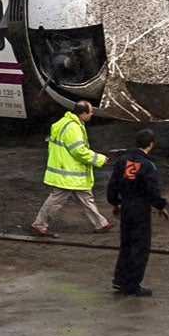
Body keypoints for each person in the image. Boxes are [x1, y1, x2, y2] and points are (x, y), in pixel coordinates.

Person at [105, 126, 169, 296]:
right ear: (151, 144)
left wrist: (115, 202)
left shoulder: (123, 160)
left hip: (126, 206)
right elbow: (152, 189)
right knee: (140, 247)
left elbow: (113, 184)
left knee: (126, 244)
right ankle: (133, 284)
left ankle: (120, 279)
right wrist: (161, 205)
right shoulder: (148, 165)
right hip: (140, 209)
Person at [31, 100, 110, 236]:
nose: (92, 114)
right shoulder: (73, 128)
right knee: (58, 199)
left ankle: (101, 223)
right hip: (69, 173)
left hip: (69, 171)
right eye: (90, 112)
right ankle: (39, 224)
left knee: (86, 197)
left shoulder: (66, 123)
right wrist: (99, 159)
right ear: (83, 113)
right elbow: (79, 150)